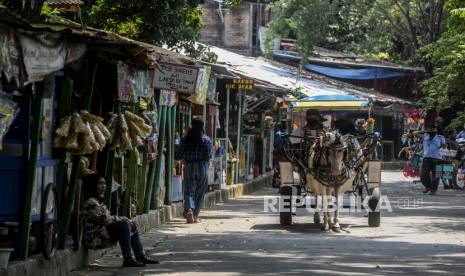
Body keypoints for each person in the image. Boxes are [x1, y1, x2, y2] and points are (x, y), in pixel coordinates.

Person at [81, 174, 158, 267]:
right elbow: (106, 219)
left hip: (101, 233)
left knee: (131, 224)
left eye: (104, 184)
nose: (104, 186)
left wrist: (126, 221)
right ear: (93, 185)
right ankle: (128, 259)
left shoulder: (97, 201)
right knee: (124, 224)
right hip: (93, 238)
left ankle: (140, 256)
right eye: (100, 184)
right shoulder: (90, 202)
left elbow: (108, 218)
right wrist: (124, 219)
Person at [175, 118, 212, 223]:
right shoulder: (206, 140)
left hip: (190, 166)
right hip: (202, 167)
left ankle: (189, 209)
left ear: (191, 126)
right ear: (202, 127)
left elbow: (178, 155)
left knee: (188, 190)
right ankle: (195, 216)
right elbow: (209, 155)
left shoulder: (185, 139)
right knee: (200, 192)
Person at [417, 126, 446, 195]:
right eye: (430, 130)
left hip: (438, 158)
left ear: (436, 131)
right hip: (426, 158)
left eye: (433, 130)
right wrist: (424, 131)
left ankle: (433, 190)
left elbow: (444, 145)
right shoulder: (425, 135)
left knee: (437, 175)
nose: (432, 132)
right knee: (423, 174)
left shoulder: (440, 137)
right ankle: (428, 187)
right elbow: (415, 133)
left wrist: (443, 146)